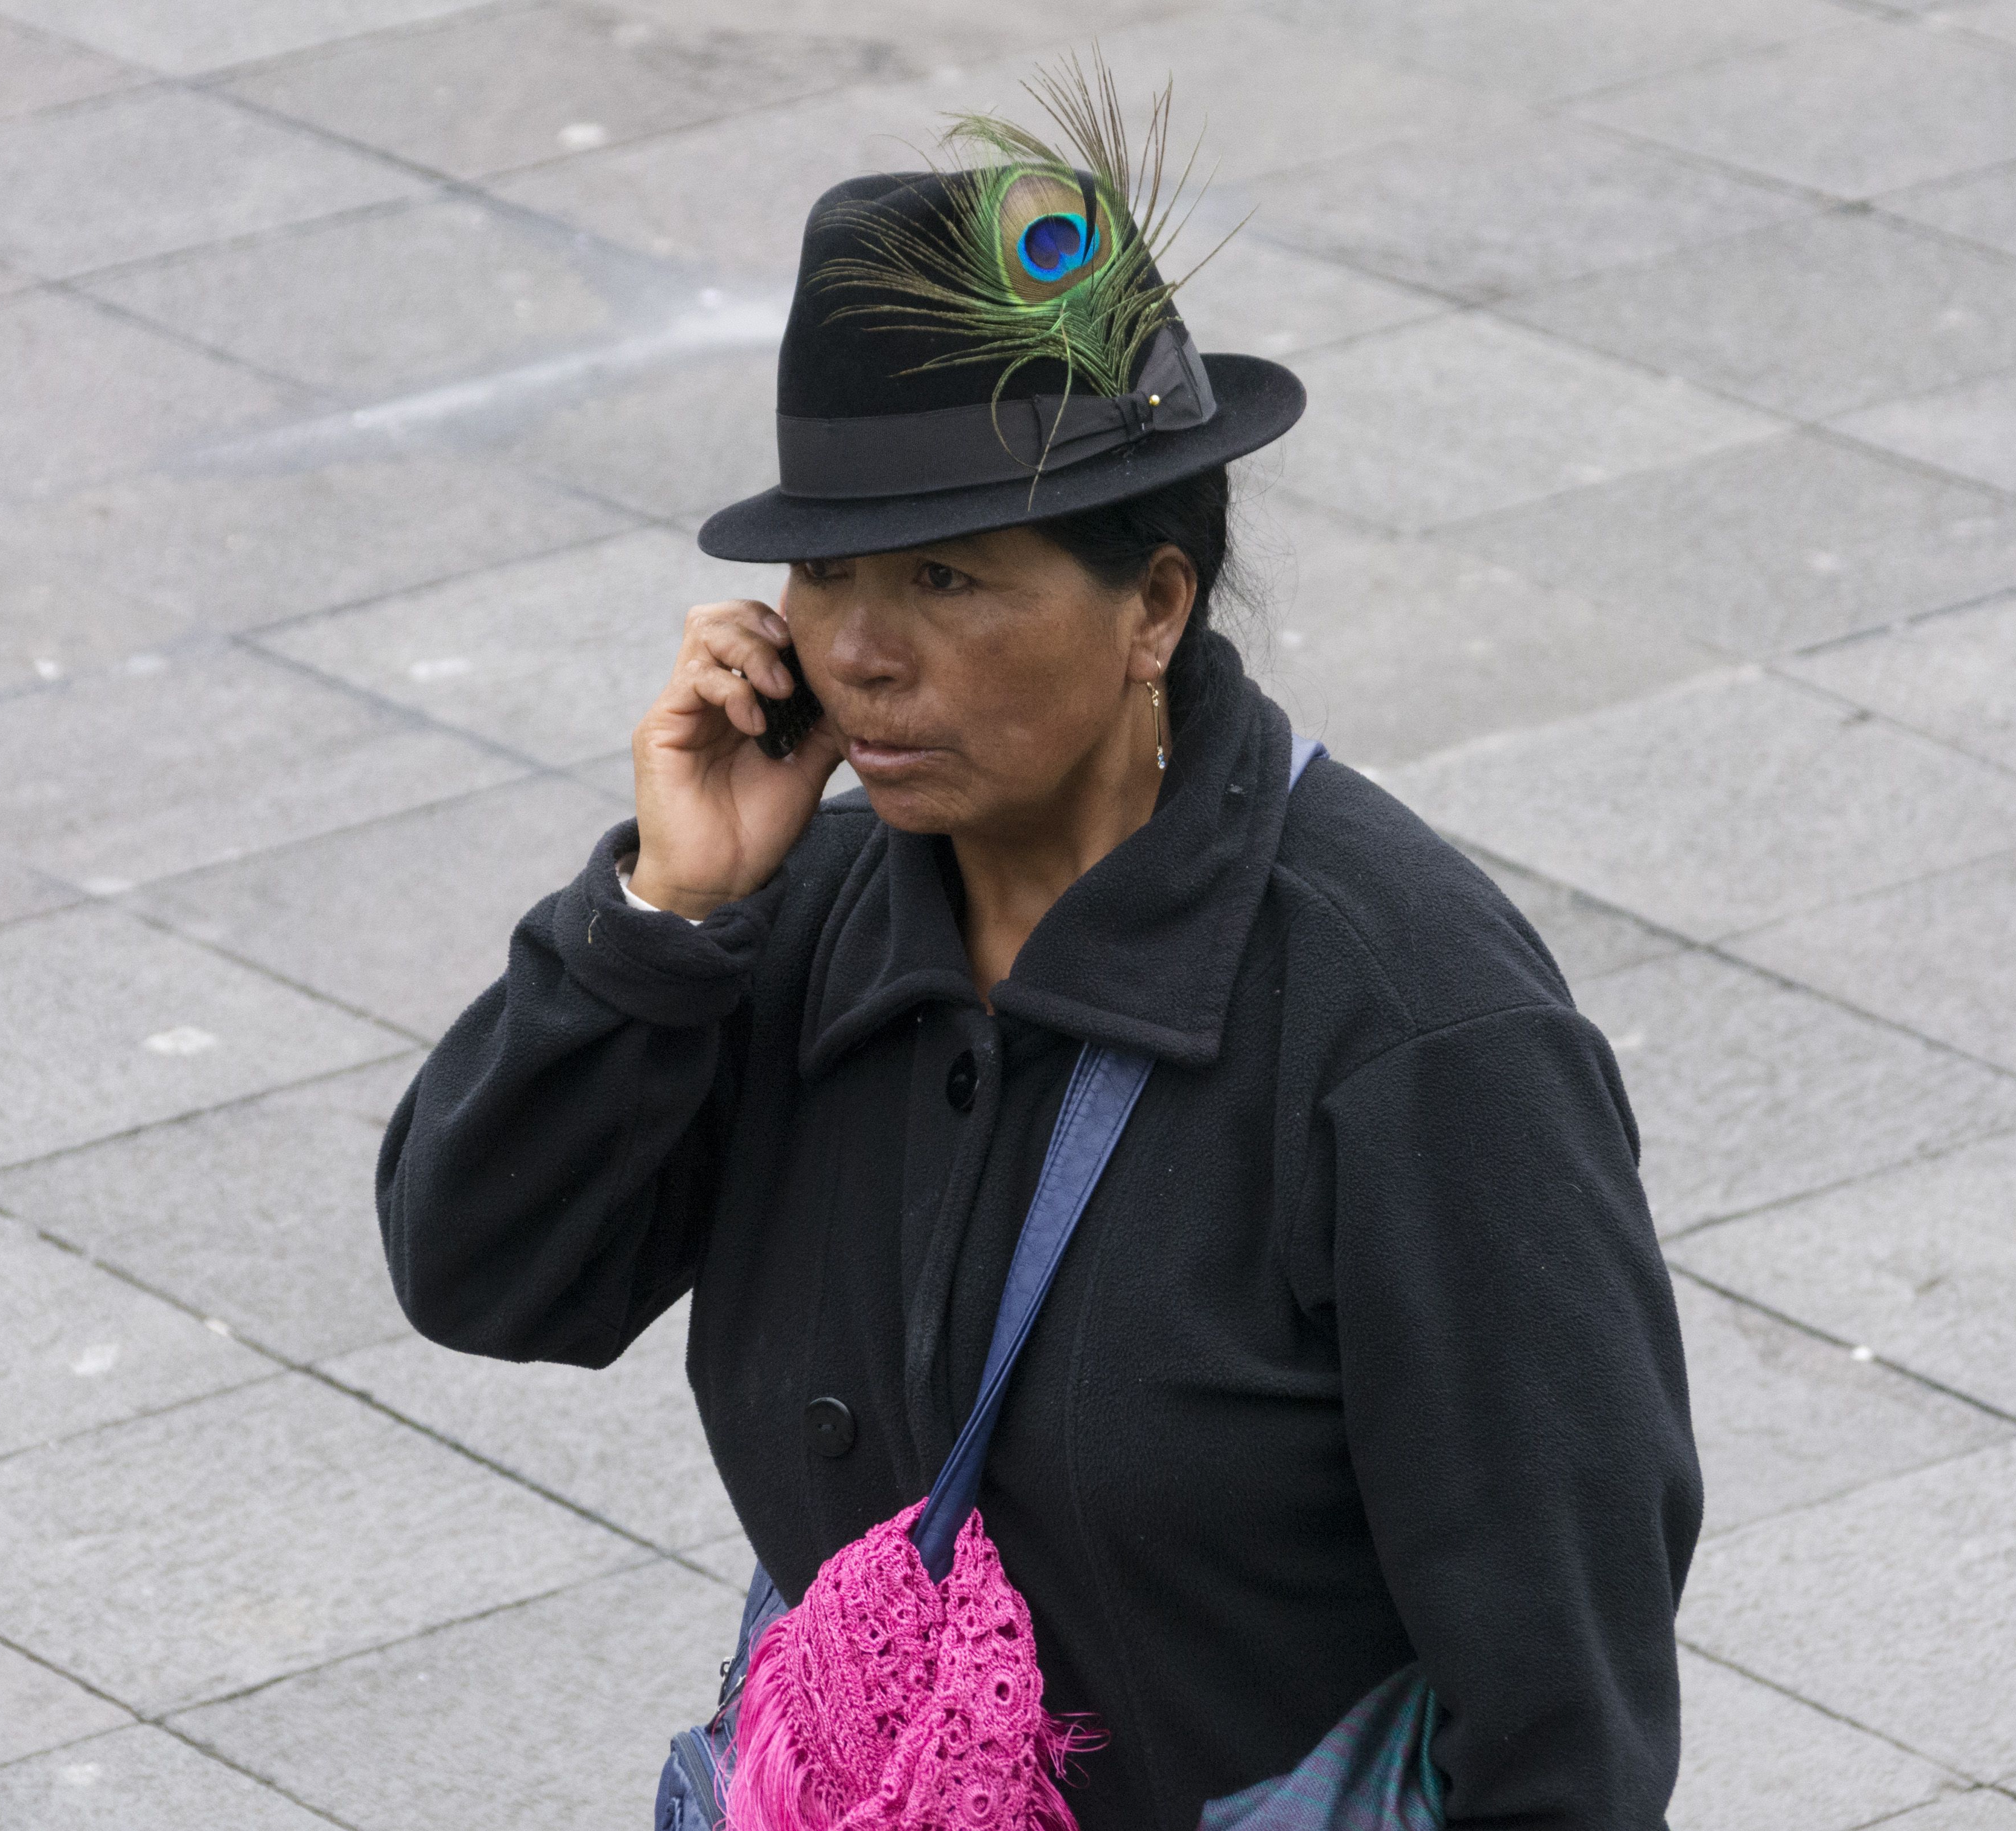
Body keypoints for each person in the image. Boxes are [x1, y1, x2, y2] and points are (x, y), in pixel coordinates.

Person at [378, 76, 1700, 1831]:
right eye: (828, 577)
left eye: (947, 580)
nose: (857, 655)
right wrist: (663, 921)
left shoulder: (1406, 1023)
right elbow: (485, 1277)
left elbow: (1562, 1684)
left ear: (1153, 605)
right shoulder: (797, 926)